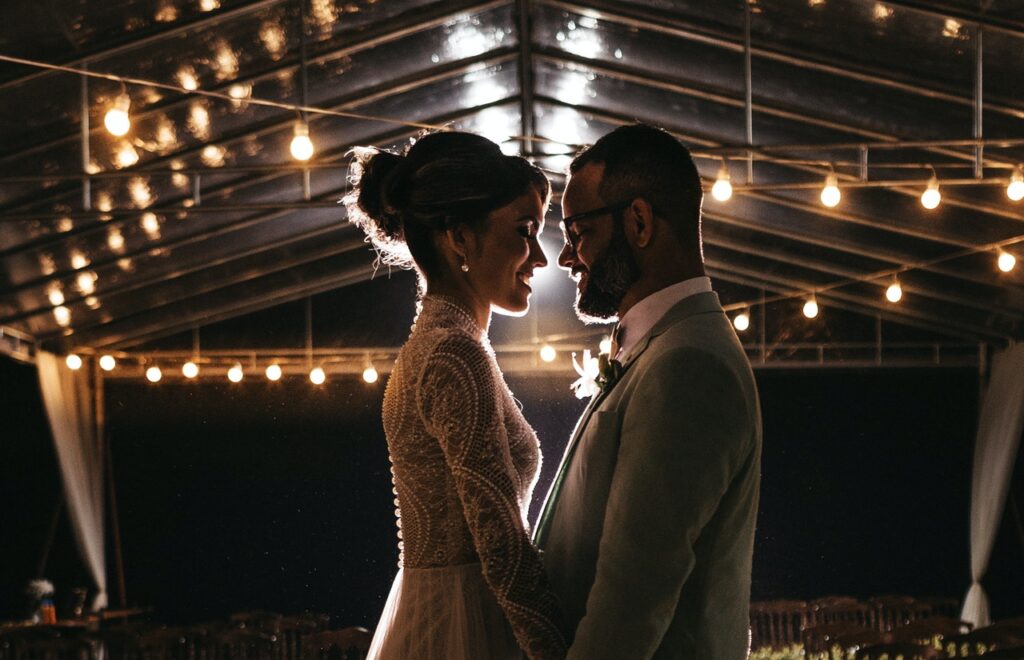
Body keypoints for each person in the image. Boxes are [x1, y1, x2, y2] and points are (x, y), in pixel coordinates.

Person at [533, 123, 762, 659]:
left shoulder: (688, 364)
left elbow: (631, 597)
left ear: (638, 221)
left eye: (578, 232)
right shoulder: (663, 347)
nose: (567, 258)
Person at [343, 131, 567, 660]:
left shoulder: (448, 345)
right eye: (523, 231)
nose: (540, 258)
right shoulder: (452, 355)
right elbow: (501, 544)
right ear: (460, 238)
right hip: (463, 631)